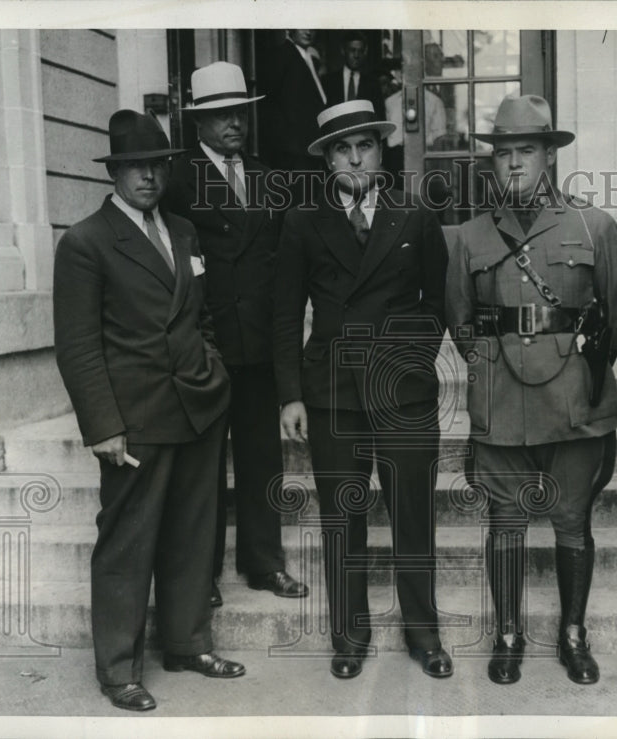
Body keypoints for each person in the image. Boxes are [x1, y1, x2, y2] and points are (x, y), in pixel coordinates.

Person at [53, 110, 245, 712]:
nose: (148, 177)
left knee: (193, 536)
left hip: (198, 407)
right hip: (135, 419)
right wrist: (103, 426)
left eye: (157, 165)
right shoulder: (85, 242)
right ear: (114, 173)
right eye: (135, 167)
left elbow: (201, 317)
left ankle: (188, 645)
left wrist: (214, 372)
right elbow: (78, 346)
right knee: (127, 545)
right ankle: (118, 670)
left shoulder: (183, 231)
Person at [445, 94, 617, 686]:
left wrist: (581, 365)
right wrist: (491, 367)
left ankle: (573, 635)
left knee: (571, 520)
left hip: (574, 400)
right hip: (501, 400)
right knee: (505, 522)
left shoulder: (593, 225)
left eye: (526, 150)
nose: (514, 163)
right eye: (503, 153)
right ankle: (508, 635)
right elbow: (461, 322)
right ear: (492, 161)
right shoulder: (470, 236)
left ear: (549, 155)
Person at [272, 100, 452, 680]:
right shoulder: (304, 220)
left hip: (404, 391)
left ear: (381, 151)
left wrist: (409, 359)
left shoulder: (414, 214)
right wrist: (290, 394)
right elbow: (284, 314)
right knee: (341, 518)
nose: (355, 159)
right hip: (333, 391)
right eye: (342, 149)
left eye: (365, 146)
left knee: (413, 514)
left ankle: (424, 633)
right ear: (328, 160)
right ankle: (349, 635)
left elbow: (437, 304)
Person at [165, 61, 308, 606]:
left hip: (259, 345)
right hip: (205, 346)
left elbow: (281, 268)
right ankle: (199, 576)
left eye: (240, 113)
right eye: (222, 114)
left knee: (261, 459)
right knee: (201, 468)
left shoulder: (269, 178)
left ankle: (263, 563)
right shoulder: (176, 179)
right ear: (198, 122)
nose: (234, 123)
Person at [260, 29, 327, 174]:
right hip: (292, 154)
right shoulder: (281, 55)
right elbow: (271, 105)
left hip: (308, 150)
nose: (308, 31)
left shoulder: (308, 58)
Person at [321, 30, 384, 116]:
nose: (356, 55)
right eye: (352, 50)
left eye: (360, 51)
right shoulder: (328, 82)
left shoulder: (373, 84)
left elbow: (379, 116)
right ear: (343, 51)